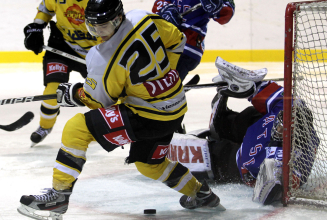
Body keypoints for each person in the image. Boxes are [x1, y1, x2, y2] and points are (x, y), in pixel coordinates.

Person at [17, 1, 226, 219]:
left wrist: (73, 93)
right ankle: (201, 194)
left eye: (103, 26)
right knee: (149, 165)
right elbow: (178, 39)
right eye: (93, 26)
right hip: (175, 109)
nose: (98, 33)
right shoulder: (142, 17)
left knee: (76, 128)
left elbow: (98, 102)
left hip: (146, 116)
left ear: (117, 19)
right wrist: (163, 75)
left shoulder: (103, 57)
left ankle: (57, 199)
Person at [168, 57, 320, 205]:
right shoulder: (292, 120)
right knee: (244, 119)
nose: (281, 128)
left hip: (236, 160)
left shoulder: (268, 163)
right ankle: (225, 117)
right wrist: (251, 88)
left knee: (211, 154)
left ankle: (180, 131)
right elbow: (292, 107)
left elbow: (273, 188)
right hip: (254, 140)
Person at [24, 0, 103, 147]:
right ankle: (45, 126)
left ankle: (115, 125)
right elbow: (46, 9)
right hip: (61, 47)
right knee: (52, 92)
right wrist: (36, 27)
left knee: (103, 97)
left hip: (95, 53)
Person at [152, 0, 235, 81]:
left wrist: (217, 6)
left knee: (163, 85)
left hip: (189, 44)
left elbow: (227, 13)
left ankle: (169, 89)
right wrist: (165, 8)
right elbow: (158, 4)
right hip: (164, 37)